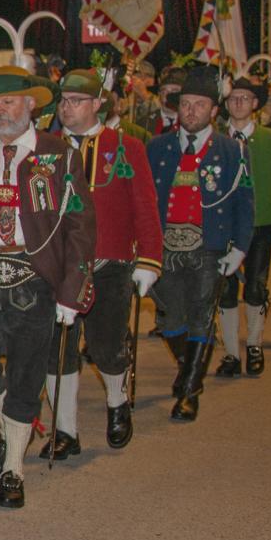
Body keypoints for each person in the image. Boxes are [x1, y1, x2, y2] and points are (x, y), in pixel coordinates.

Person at [0, 66, 95, 508]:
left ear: (31, 105)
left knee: (26, 373)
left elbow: (80, 226)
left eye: (9, 101)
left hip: (34, 276)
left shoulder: (60, 155)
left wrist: (73, 290)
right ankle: (12, 427)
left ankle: (14, 466)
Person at [45, 69, 162, 452]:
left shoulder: (127, 147)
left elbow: (145, 207)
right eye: (63, 100)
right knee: (59, 348)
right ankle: (65, 431)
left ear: (98, 104)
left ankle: (117, 400)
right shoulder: (45, 148)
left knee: (107, 345)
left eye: (77, 101)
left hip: (109, 263)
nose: (67, 107)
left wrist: (148, 259)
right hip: (58, 266)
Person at [144, 65, 255, 421]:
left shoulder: (231, 151)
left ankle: (190, 390)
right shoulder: (157, 148)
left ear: (213, 111)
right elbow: (145, 202)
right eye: (186, 104)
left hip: (210, 245)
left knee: (202, 317)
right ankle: (188, 367)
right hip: (166, 247)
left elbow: (244, 201)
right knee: (170, 317)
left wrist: (240, 247)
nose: (191, 110)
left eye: (199, 104)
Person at [215, 77, 271, 379]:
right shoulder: (218, 139)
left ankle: (255, 345)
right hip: (225, 224)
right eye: (233, 98)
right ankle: (232, 352)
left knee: (257, 285)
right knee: (225, 287)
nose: (238, 103)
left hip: (261, 224)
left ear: (255, 104)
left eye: (245, 98)